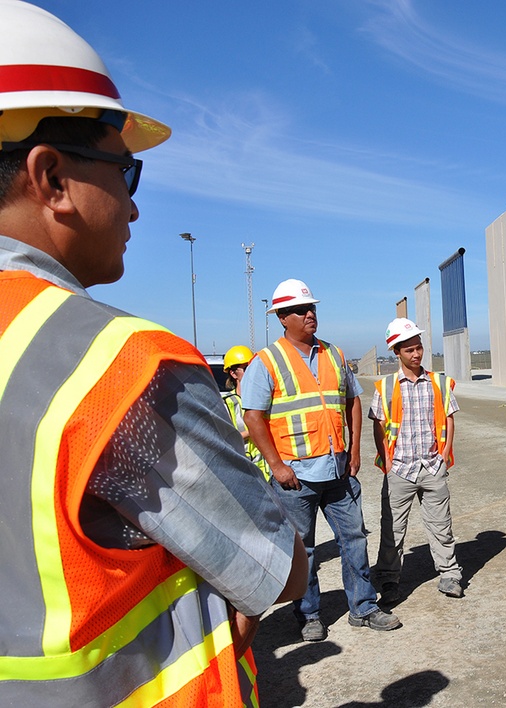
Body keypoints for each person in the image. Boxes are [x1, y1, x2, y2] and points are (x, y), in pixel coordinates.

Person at [0, 2, 307, 704]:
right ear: (50, 179)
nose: (134, 208)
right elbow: (275, 567)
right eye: (125, 172)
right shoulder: (114, 368)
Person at [243, 279, 400, 642]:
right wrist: (278, 467)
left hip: (338, 469)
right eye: (301, 310)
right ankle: (308, 613)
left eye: (312, 307)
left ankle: (363, 607)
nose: (310, 314)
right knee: (305, 549)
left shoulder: (335, 354)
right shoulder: (267, 362)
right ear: (283, 317)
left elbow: (353, 401)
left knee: (355, 538)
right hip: (295, 476)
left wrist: (355, 450)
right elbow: (253, 417)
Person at [370, 318, 462, 602]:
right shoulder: (385, 386)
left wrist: (445, 452)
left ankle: (450, 574)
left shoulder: (438, 382)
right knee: (392, 529)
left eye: (419, 347)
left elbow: (448, 416)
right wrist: (386, 457)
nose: (416, 354)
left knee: (441, 525)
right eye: (409, 349)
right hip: (400, 468)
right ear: (397, 351)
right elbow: (378, 423)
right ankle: (388, 578)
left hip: (432, 465)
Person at [222, 344, 270, 480]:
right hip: (244, 470)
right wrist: (255, 429)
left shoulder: (265, 398)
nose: (251, 371)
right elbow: (224, 438)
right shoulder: (227, 403)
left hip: (269, 470)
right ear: (233, 373)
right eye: (245, 368)